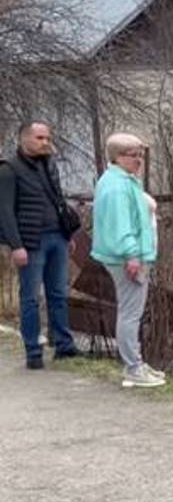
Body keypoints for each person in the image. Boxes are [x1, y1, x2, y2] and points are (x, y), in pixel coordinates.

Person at [0, 121, 80, 369]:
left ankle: (64, 346)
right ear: (24, 139)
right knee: (30, 298)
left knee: (58, 294)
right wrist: (16, 245)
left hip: (57, 237)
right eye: (39, 138)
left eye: (47, 137)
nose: (45, 142)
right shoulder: (9, 169)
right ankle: (33, 351)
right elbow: (5, 212)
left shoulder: (49, 166)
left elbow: (57, 201)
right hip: (31, 242)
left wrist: (68, 235)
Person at [91, 133, 164, 389]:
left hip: (130, 254)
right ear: (118, 157)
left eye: (140, 155)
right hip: (127, 257)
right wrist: (132, 255)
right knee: (131, 312)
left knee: (132, 310)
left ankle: (137, 363)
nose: (139, 160)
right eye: (134, 155)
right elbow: (122, 226)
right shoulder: (117, 186)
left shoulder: (122, 181)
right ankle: (133, 367)